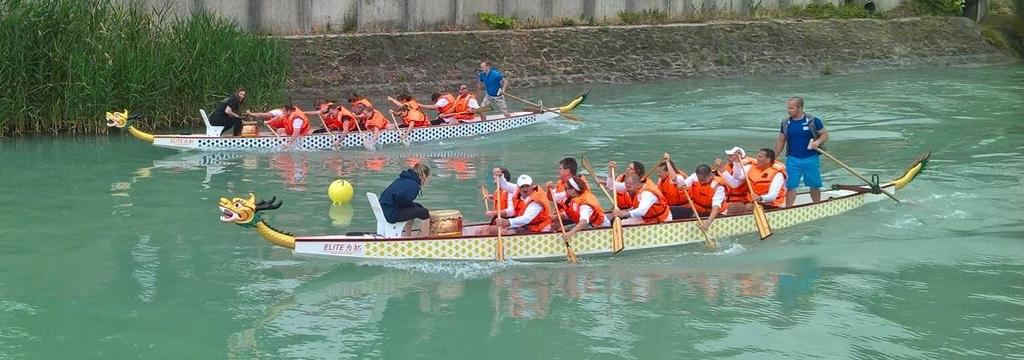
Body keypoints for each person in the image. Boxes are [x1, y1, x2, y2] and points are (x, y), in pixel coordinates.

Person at [774, 97, 829, 207]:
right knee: (791, 186)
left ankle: (817, 206)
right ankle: (788, 209)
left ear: (800, 108)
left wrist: (817, 142)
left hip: (811, 158)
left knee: (814, 185)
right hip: (793, 159)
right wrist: (774, 157)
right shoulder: (785, 122)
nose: (789, 110)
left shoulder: (813, 120)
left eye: (791, 108)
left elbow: (825, 135)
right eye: (788, 108)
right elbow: (781, 141)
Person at [379, 162, 432, 237]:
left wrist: (410, 205)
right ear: (423, 176)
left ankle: (407, 234)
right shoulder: (414, 184)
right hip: (391, 214)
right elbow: (400, 199)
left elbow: (399, 197)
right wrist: (409, 206)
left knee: (417, 207)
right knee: (424, 212)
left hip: (385, 209)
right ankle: (425, 237)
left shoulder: (403, 179)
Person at [552, 174, 608, 241]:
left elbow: (584, 222)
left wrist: (569, 234)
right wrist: (555, 217)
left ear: (573, 190)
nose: (565, 190)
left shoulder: (585, 204)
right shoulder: (573, 197)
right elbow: (570, 213)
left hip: (598, 226)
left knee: (563, 231)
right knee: (559, 229)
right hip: (586, 224)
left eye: (566, 188)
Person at [681, 164, 727, 231]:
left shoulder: (719, 187)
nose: (701, 182)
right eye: (700, 180)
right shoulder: (695, 176)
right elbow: (682, 184)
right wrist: (682, 185)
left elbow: (716, 207)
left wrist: (707, 223)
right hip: (699, 210)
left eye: (704, 180)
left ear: (711, 175)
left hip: (716, 213)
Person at [716, 147, 756, 214]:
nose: (728, 158)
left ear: (740, 157)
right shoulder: (728, 166)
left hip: (742, 199)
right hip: (728, 198)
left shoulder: (748, 167)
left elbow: (735, 184)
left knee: (735, 207)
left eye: (731, 156)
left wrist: (722, 170)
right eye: (728, 156)